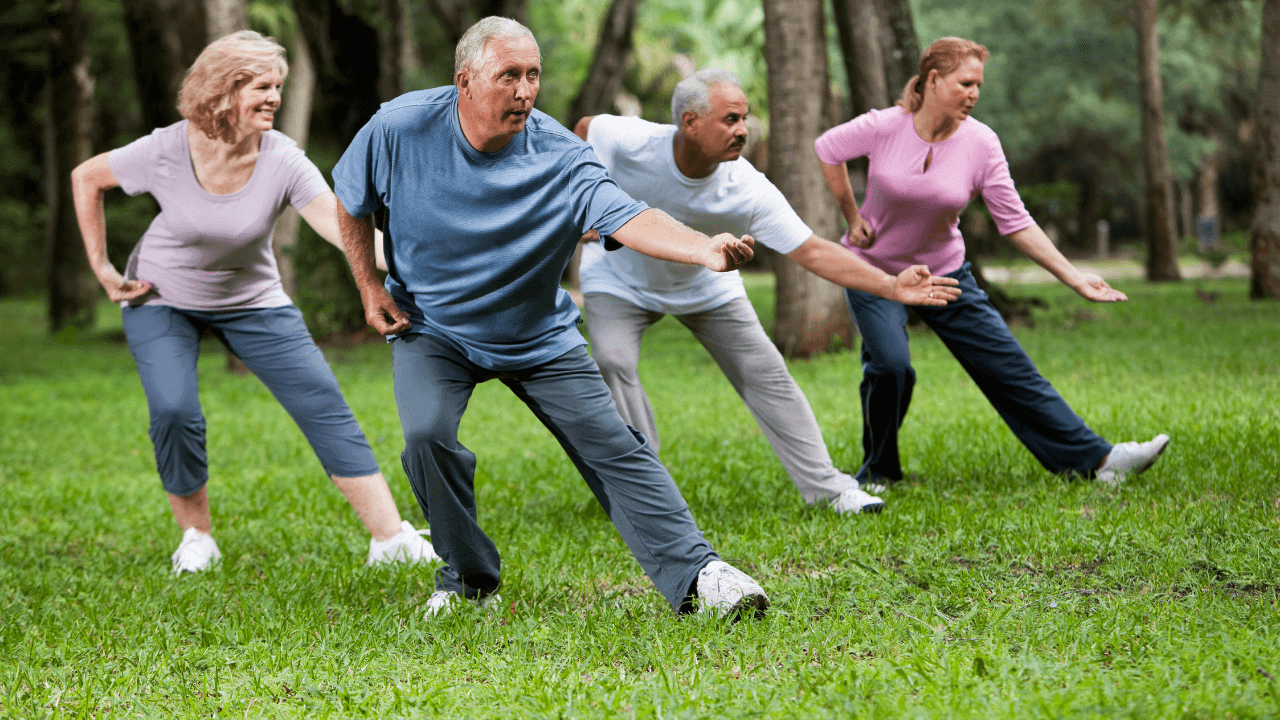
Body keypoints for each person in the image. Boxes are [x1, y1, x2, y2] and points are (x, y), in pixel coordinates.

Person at [332, 17, 769, 619]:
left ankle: (701, 574)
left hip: (536, 334)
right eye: (508, 75)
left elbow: (627, 214)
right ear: (465, 80)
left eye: (533, 74)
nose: (525, 90)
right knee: (425, 436)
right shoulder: (400, 128)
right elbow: (350, 199)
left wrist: (704, 248)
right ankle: (467, 579)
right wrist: (367, 285)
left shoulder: (561, 155)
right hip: (432, 324)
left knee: (616, 446)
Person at [71, 31, 438, 574]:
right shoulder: (166, 148)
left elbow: (343, 229)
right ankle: (196, 536)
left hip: (252, 298)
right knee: (174, 410)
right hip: (161, 295)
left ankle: (390, 537)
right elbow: (87, 177)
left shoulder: (283, 159)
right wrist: (102, 267)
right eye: (261, 86)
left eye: (278, 88)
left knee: (323, 403)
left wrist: (425, 260)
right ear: (223, 90)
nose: (274, 97)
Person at [573, 70, 963, 516]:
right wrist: (584, 199)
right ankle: (645, 492)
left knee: (768, 375)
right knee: (613, 361)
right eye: (730, 119)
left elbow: (814, 252)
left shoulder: (746, 187)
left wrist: (891, 285)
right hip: (619, 278)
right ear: (690, 122)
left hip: (706, 284)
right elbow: (585, 128)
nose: (743, 129)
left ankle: (830, 489)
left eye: (745, 118)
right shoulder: (632, 140)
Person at [814, 36, 1170, 489]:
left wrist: (1074, 277)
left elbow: (1015, 222)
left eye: (979, 85)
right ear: (934, 79)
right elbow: (827, 149)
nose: (974, 94)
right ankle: (879, 471)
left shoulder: (981, 143)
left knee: (1009, 368)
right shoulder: (885, 126)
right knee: (890, 366)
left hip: (946, 272)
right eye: (966, 83)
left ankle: (1100, 462)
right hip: (876, 271)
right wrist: (852, 214)